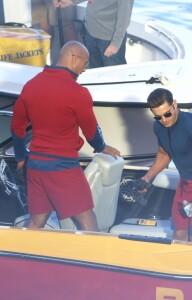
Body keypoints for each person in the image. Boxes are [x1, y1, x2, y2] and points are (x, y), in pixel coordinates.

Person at [11, 40, 120, 231]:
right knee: (87, 219)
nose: (84, 70)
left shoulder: (30, 85)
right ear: (74, 58)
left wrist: (21, 158)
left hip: (35, 166)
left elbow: (16, 128)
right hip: (62, 166)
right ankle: (94, 260)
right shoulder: (78, 93)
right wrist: (101, 146)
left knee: (36, 222)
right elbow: (90, 130)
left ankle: (24, 258)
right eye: (85, 64)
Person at [139, 88, 192, 244]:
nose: (164, 120)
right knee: (178, 237)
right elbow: (164, 155)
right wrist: (147, 177)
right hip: (185, 183)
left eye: (167, 114)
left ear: (174, 104)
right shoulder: (158, 127)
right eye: (158, 116)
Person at [83, 0, 134, 68]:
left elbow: (124, 15)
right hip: (90, 33)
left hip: (108, 40)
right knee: (94, 71)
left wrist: (115, 43)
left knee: (114, 75)